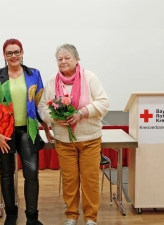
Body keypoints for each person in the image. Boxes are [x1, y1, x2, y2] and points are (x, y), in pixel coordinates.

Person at [38, 44, 110, 225]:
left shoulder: (89, 77)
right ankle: (71, 216)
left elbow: (103, 102)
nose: (63, 61)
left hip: (90, 140)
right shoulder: (51, 81)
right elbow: (42, 107)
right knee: (69, 181)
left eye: (67, 58)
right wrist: (55, 119)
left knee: (90, 180)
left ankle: (91, 218)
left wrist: (81, 113)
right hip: (64, 140)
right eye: (60, 59)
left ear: (77, 59)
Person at [0, 39, 53, 225]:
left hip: (28, 132)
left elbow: (40, 105)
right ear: (4, 55)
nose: (13, 56)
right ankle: (11, 215)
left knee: (31, 174)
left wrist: (46, 129)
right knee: (6, 174)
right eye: (9, 53)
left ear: (22, 53)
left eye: (16, 52)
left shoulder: (33, 74)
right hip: (3, 134)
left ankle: (32, 217)